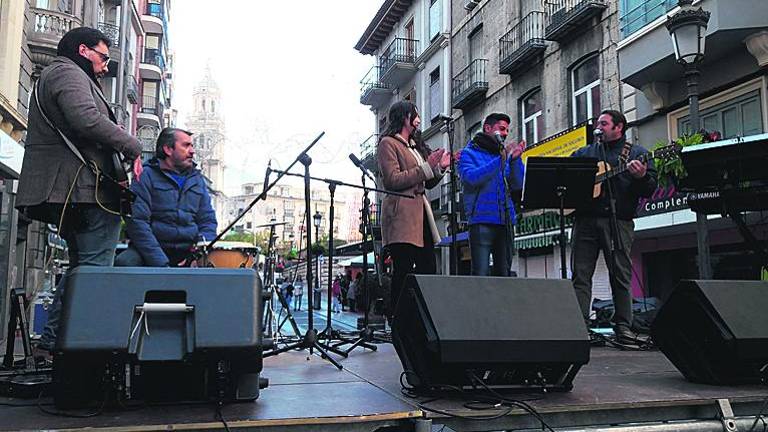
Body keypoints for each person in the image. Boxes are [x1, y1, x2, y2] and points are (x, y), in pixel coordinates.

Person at [16, 27, 143, 353]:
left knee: (82, 270)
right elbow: (86, 120)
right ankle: (73, 348)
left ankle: (56, 343)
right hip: (82, 192)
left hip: (78, 191)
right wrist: (133, 145)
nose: (105, 66)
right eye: (103, 57)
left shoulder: (63, 74)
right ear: (83, 50)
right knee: (94, 273)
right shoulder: (67, 73)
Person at [570, 109, 658, 344]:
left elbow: (650, 189)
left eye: (604, 123)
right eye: (598, 123)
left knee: (620, 274)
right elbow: (566, 179)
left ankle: (624, 327)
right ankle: (580, 327)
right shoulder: (584, 153)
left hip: (618, 221)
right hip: (585, 220)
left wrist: (640, 177)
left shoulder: (637, 154)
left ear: (619, 127)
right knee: (581, 275)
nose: (599, 127)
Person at [377, 101, 450, 319]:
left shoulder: (413, 146)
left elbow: (426, 182)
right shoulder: (388, 144)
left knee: (429, 266)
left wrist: (440, 169)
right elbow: (392, 179)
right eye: (415, 116)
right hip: (402, 216)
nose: (418, 120)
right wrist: (427, 168)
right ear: (405, 117)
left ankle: (423, 317)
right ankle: (398, 319)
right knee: (404, 268)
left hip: (421, 214)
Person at [115, 127, 217, 267]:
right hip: (150, 252)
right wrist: (162, 264)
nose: (192, 151)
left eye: (192, 146)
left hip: (188, 253)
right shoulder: (145, 176)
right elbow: (138, 223)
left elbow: (208, 221)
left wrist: (197, 255)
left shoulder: (197, 180)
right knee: (125, 262)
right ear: (168, 149)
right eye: (186, 145)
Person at [458, 113, 525, 276]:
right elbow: (471, 178)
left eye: (508, 130)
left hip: (505, 221)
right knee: (480, 273)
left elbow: (518, 185)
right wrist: (500, 162)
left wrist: (515, 160)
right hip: (481, 221)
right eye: (501, 129)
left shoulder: (503, 155)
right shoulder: (469, 153)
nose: (505, 133)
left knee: (504, 272)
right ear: (487, 128)